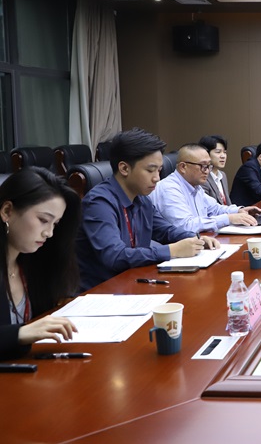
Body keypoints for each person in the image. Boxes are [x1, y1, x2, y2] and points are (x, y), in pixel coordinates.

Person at [76, 129, 220, 291]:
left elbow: (165, 230)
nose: (157, 178)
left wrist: (195, 239)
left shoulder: (142, 199)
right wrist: (171, 250)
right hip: (100, 292)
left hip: (134, 283)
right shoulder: (99, 203)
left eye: (159, 170)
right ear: (124, 168)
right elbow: (115, 256)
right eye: (150, 170)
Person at [1, 168, 81, 359]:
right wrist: (19, 334)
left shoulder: (33, 262)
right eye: (43, 220)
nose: (49, 233)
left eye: (55, 224)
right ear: (7, 211)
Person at [150, 144, 261, 233]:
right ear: (183, 167)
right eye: (203, 166)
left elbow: (215, 209)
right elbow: (186, 226)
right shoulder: (169, 189)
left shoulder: (195, 186)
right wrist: (229, 218)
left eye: (209, 166)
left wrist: (238, 211)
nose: (207, 171)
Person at [198, 135, 231, 205]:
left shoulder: (222, 175)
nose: (223, 156)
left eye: (224, 152)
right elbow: (207, 207)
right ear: (206, 153)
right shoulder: (202, 177)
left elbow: (227, 203)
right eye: (218, 152)